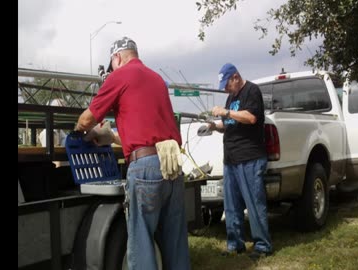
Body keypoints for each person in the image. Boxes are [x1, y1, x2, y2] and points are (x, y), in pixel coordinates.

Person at [75, 37, 191, 270]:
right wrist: (113, 137)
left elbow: (88, 118)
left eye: (112, 64)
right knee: (175, 240)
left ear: (117, 57)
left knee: (141, 239)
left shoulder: (120, 75)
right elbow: (149, 130)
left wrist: (78, 131)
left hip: (146, 169)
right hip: (171, 164)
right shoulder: (157, 79)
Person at [207, 63, 272, 260]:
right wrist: (214, 126)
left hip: (250, 158)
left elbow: (250, 117)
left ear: (235, 77)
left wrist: (226, 112)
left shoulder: (251, 91)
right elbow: (230, 123)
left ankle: (262, 246)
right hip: (231, 160)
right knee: (231, 206)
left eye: (227, 84)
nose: (226, 89)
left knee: (254, 204)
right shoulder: (231, 97)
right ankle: (235, 244)